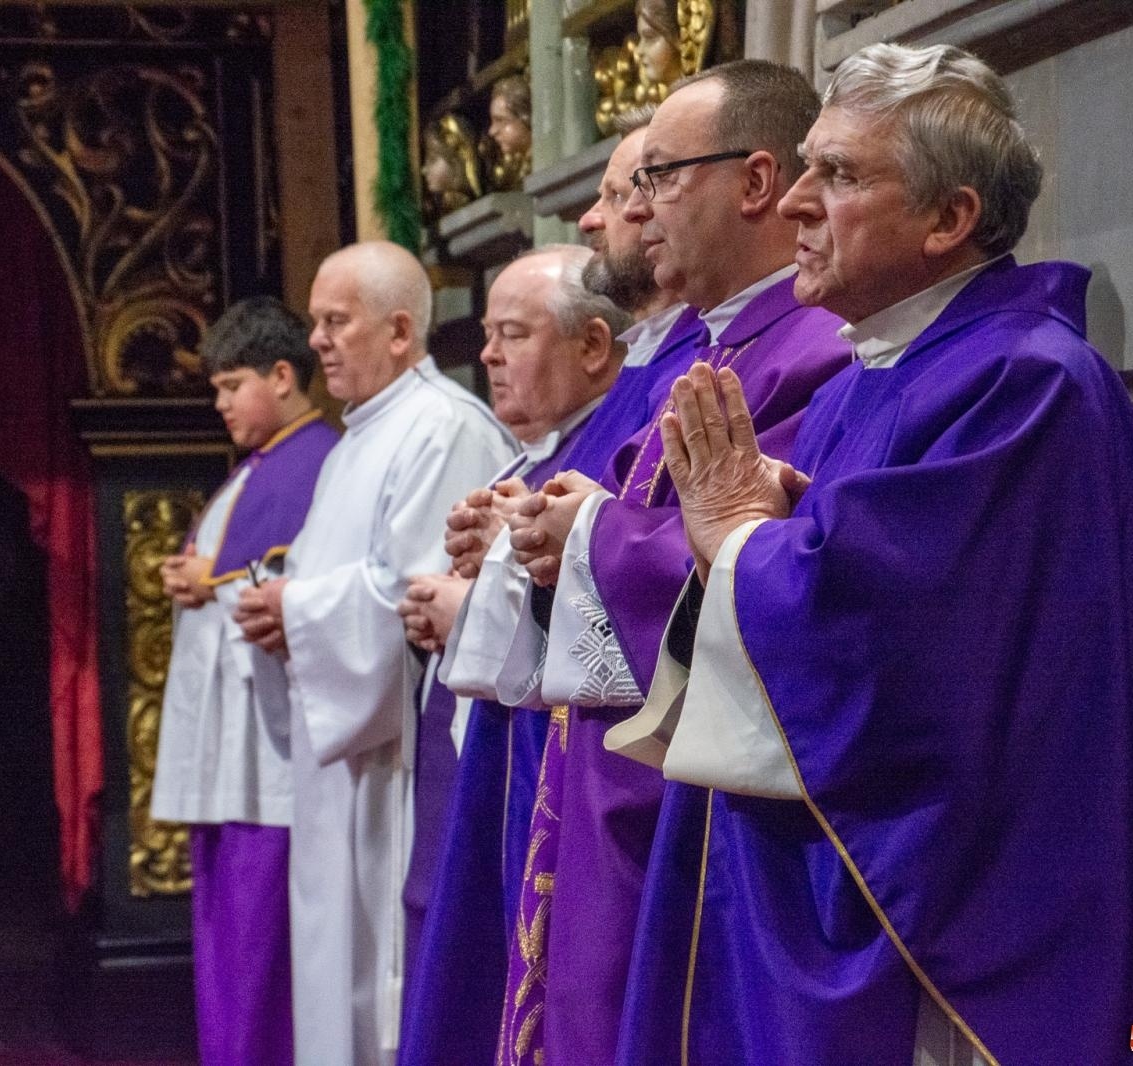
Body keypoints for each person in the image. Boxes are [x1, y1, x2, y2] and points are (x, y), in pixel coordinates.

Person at [616, 42, 1133, 1066]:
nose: (797, 204)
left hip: (976, 914)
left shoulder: (1023, 382)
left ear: (949, 218)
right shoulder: (869, 377)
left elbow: (906, 656)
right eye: (807, 166)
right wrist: (775, 529)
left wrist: (740, 538)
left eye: (838, 174)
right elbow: (872, 579)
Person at [490, 61, 853, 1065]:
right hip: (622, 772)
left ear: (755, 181)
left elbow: (768, 563)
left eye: (659, 177)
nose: (635, 209)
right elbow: (642, 510)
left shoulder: (812, 350)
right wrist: (553, 526)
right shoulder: (711, 349)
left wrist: (587, 536)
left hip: (692, 797)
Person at [232, 241, 513, 1066]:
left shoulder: (443, 428)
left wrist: (298, 609)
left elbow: (420, 597)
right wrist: (288, 600)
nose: (315, 340)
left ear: (398, 331)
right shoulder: (358, 437)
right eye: (315, 321)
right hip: (345, 754)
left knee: (380, 975)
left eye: (335, 321)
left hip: (397, 763)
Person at [394, 244, 632, 1066]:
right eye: (489, 334)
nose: (489, 355)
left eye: (513, 334)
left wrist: (474, 597)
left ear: (593, 346)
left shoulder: (608, 440)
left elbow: (626, 600)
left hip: (569, 774)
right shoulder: (535, 454)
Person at [150, 296, 338, 1066]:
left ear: (283, 376)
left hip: (271, 763)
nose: (221, 404)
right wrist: (194, 577)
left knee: (263, 952)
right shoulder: (256, 470)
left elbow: (309, 588)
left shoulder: (319, 462)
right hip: (229, 764)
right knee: (229, 949)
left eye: (233, 386)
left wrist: (214, 583)